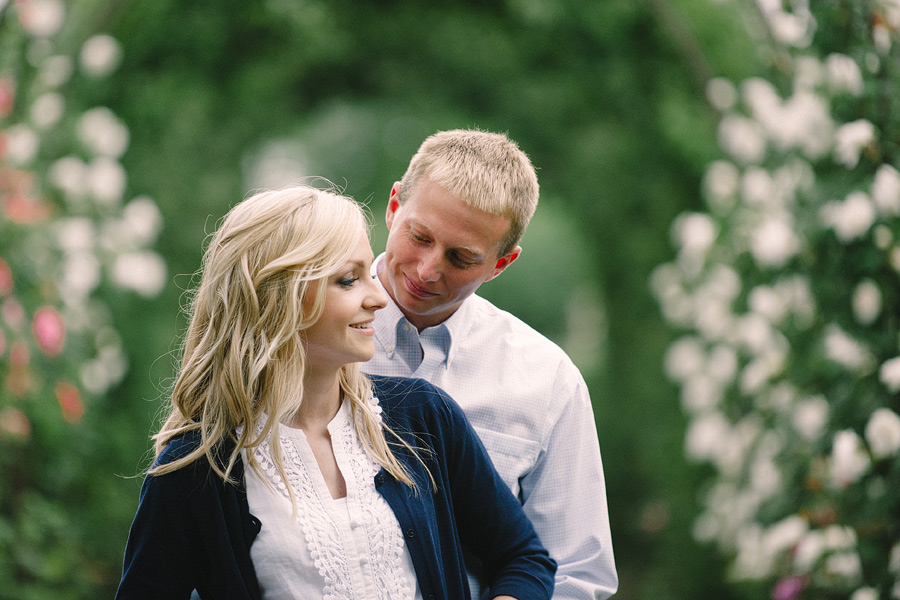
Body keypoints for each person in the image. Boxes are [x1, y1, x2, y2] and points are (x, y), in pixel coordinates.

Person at [115, 185, 556, 600]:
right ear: (279, 297)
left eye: (368, 273)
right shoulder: (196, 467)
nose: (379, 298)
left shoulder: (423, 417)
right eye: (349, 280)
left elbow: (523, 558)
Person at [363, 129, 618, 600]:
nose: (427, 270)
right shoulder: (300, 334)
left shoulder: (547, 382)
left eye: (461, 258)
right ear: (394, 206)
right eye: (419, 237)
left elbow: (576, 572)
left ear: (502, 263)